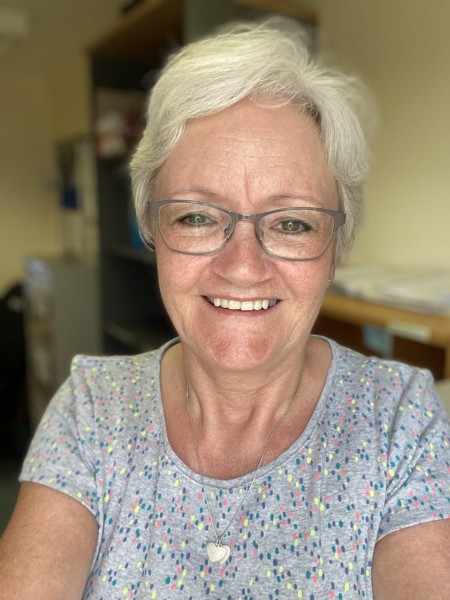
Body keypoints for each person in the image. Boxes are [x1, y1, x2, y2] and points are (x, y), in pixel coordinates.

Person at [1, 18, 449, 600]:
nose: (243, 266)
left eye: (291, 223)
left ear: (335, 248)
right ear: (152, 232)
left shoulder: (399, 422)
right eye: (196, 216)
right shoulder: (91, 409)